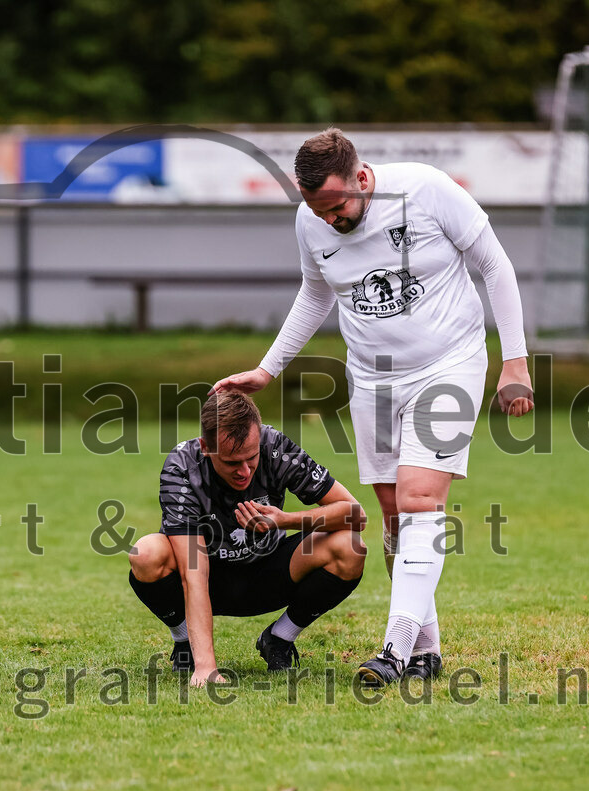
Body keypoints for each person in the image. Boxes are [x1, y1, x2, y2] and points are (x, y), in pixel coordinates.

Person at [213, 128, 532, 687]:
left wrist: (515, 361)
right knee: (393, 516)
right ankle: (426, 649)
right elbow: (316, 292)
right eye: (318, 210)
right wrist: (267, 369)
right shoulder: (311, 219)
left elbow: (494, 265)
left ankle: (394, 650)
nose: (329, 219)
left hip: (448, 364)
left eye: (336, 207)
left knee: (420, 500)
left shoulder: (427, 190)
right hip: (373, 380)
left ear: (362, 178)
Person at [128, 391, 367, 687]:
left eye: (251, 458)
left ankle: (279, 638)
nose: (244, 471)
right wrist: (207, 669)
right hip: (208, 579)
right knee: (145, 553)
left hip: (270, 573)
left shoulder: (275, 447)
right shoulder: (182, 467)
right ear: (206, 447)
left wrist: (285, 520)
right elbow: (193, 573)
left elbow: (356, 515)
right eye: (231, 462)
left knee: (350, 547)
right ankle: (186, 641)